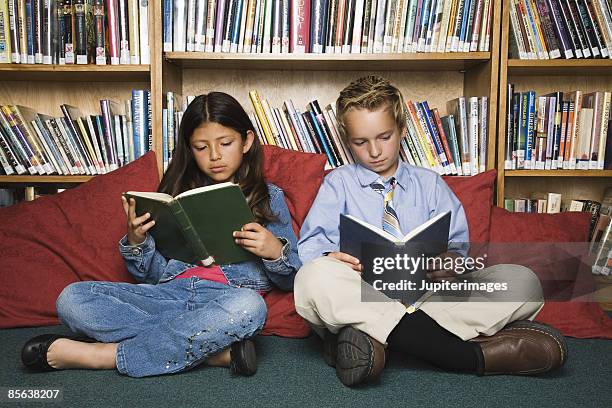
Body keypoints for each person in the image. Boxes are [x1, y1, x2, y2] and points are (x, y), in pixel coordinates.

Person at [295, 76, 566, 387]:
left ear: (402, 130)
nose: (374, 151)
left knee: (523, 281)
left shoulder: (430, 184)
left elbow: (458, 250)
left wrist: (449, 261)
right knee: (313, 277)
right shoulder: (337, 184)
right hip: (363, 295)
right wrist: (333, 257)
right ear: (347, 141)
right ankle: (460, 356)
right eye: (360, 142)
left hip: (426, 298)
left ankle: (370, 338)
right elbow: (312, 247)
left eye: (384, 137)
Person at [21, 92, 301, 378]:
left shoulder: (269, 197)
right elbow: (152, 275)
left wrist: (275, 251)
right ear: (189, 149)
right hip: (166, 294)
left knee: (251, 308)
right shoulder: (174, 195)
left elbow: (291, 278)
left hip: (226, 299)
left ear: (247, 141)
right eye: (201, 147)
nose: (215, 156)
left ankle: (107, 355)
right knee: (72, 298)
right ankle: (209, 349)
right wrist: (137, 242)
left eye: (225, 143)